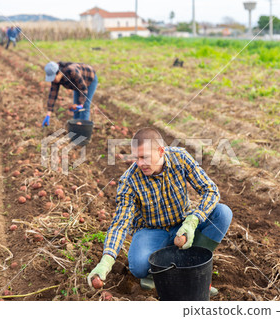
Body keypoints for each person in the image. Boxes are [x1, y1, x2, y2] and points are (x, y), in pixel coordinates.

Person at [87, 128, 232, 296]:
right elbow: (120, 224)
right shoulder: (129, 181)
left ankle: (191, 269)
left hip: (181, 224)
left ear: (161, 151)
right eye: (136, 158)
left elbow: (210, 190)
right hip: (151, 231)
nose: (139, 164)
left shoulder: (180, 158)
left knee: (222, 213)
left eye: (144, 157)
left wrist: (193, 220)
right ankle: (161, 269)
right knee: (139, 266)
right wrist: (106, 261)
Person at [42, 61, 98, 126]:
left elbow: (83, 89)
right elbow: (52, 95)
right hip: (77, 84)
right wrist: (48, 114)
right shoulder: (55, 79)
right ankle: (76, 128)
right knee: (76, 107)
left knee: (84, 106)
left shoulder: (71, 71)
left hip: (89, 78)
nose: (53, 80)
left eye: (53, 78)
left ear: (58, 73)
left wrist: (81, 104)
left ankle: (83, 130)